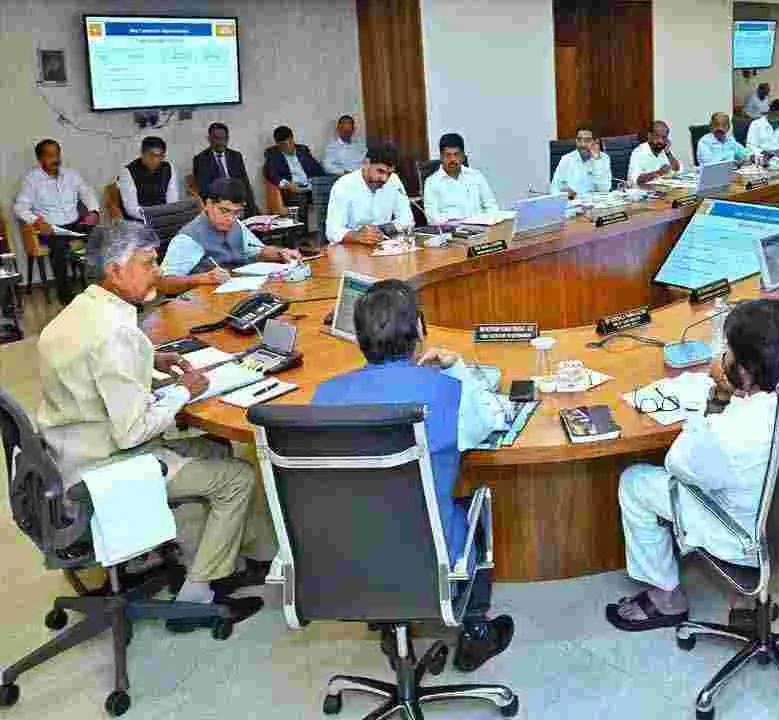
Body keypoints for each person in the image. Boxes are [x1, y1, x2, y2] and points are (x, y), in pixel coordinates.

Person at [37, 223, 275, 631]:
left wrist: (149, 361)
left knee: (213, 449)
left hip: (66, 455)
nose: (157, 272)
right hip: (107, 467)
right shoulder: (116, 334)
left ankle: (214, 557)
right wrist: (183, 391)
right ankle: (197, 597)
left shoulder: (77, 314)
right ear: (115, 271)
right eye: (148, 263)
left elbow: (92, 375)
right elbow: (131, 432)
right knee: (237, 478)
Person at [310, 279, 513, 671]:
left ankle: (391, 626)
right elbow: (492, 420)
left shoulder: (324, 396)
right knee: (474, 505)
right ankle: (474, 631)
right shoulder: (447, 391)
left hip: (344, 554)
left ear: (358, 338)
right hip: (428, 553)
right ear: (419, 329)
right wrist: (458, 369)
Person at [606, 299, 779, 631]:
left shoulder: (730, 430)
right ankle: (747, 599)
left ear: (744, 371)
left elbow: (677, 465)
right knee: (744, 480)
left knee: (636, 482)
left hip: (749, 538)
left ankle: (666, 598)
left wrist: (719, 398)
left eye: (729, 352)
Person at [159, 178, 300, 294]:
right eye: (224, 211)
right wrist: (202, 278)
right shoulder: (188, 238)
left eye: (236, 212)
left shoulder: (236, 224)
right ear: (208, 204)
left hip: (241, 290)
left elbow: (257, 251)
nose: (230, 219)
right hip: (207, 302)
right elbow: (164, 284)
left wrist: (281, 253)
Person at [12, 139, 101, 305]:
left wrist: (93, 211)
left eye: (57, 154)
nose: (55, 159)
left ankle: (101, 285)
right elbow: (19, 207)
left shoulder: (71, 175)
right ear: (40, 159)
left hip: (74, 223)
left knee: (101, 236)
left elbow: (86, 192)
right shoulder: (32, 180)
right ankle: (65, 295)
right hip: (51, 228)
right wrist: (36, 221)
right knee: (59, 250)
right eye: (50, 155)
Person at [325, 142, 414, 245]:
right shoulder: (343, 185)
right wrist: (358, 236)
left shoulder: (394, 180)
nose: (385, 179)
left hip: (384, 246)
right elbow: (332, 231)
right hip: (351, 248)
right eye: (380, 171)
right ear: (365, 163)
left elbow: (408, 219)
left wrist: (381, 229)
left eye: (389, 174)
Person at [423, 133, 499, 223]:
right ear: (441, 157)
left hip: (481, 228)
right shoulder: (432, 183)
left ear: (463, 156)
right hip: (451, 230)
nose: (452, 159)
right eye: (448, 155)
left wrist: (489, 221)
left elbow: (491, 206)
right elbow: (432, 218)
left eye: (456, 154)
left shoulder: (476, 176)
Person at [192, 123, 258, 217]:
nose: (220, 142)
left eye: (223, 138)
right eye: (216, 138)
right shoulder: (200, 160)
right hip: (217, 202)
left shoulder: (235, 156)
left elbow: (245, 182)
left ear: (227, 139)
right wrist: (224, 203)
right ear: (209, 139)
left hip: (237, 199)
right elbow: (204, 189)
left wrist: (251, 207)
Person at [118, 136, 179, 222]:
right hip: (139, 220)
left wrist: (167, 216)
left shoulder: (168, 168)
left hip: (163, 218)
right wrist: (154, 217)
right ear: (142, 154)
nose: (156, 160)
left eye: (160, 156)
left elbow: (172, 201)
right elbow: (132, 209)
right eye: (151, 155)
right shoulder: (128, 172)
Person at [551, 125, 610, 199]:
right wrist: (564, 194)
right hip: (572, 202)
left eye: (587, 140)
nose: (582, 144)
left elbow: (604, 189)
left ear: (596, 142)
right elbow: (554, 188)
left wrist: (597, 161)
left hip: (594, 203)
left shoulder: (603, 158)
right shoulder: (566, 159)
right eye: (579, 140)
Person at [264, 126, 326, 197]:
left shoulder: (303, 151)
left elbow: (318, 169)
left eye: (290, 142)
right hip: (293, 190)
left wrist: (317, 182)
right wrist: (287, 185)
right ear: (278, 145)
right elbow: (270, 174)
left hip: (311, 186)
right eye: (284, 145)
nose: (289, 147)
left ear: (293, 139)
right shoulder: (274, 156)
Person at [628, 121, 682, 185]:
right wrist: (659, 172)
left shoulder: (665, 150)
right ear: (649, 135)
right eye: (657, 136)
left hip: (665, 188)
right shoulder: (638, 152)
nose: (660, 141)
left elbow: (678, 170)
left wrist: (668, 153)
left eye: (664, 137)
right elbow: (634, 180)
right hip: (646, 189)